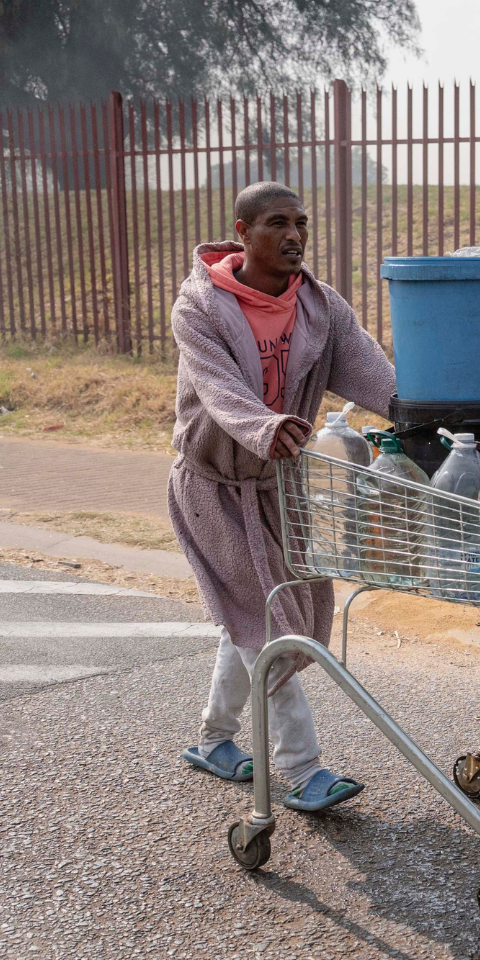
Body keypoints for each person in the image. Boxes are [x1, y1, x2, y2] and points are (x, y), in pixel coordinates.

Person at [171, 181, 397, 809]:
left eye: (301, 222)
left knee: (252, 612)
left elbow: (373, 373)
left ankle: (215, 739)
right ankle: (301, 770)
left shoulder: (320, 309)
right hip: (213, 488)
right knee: (265, 620)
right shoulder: (200, 308)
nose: (295, 235)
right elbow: (219, 392)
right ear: (242, 231)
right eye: (277, 223)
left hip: (278, 487)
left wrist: (421, 410)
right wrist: (264, 427)